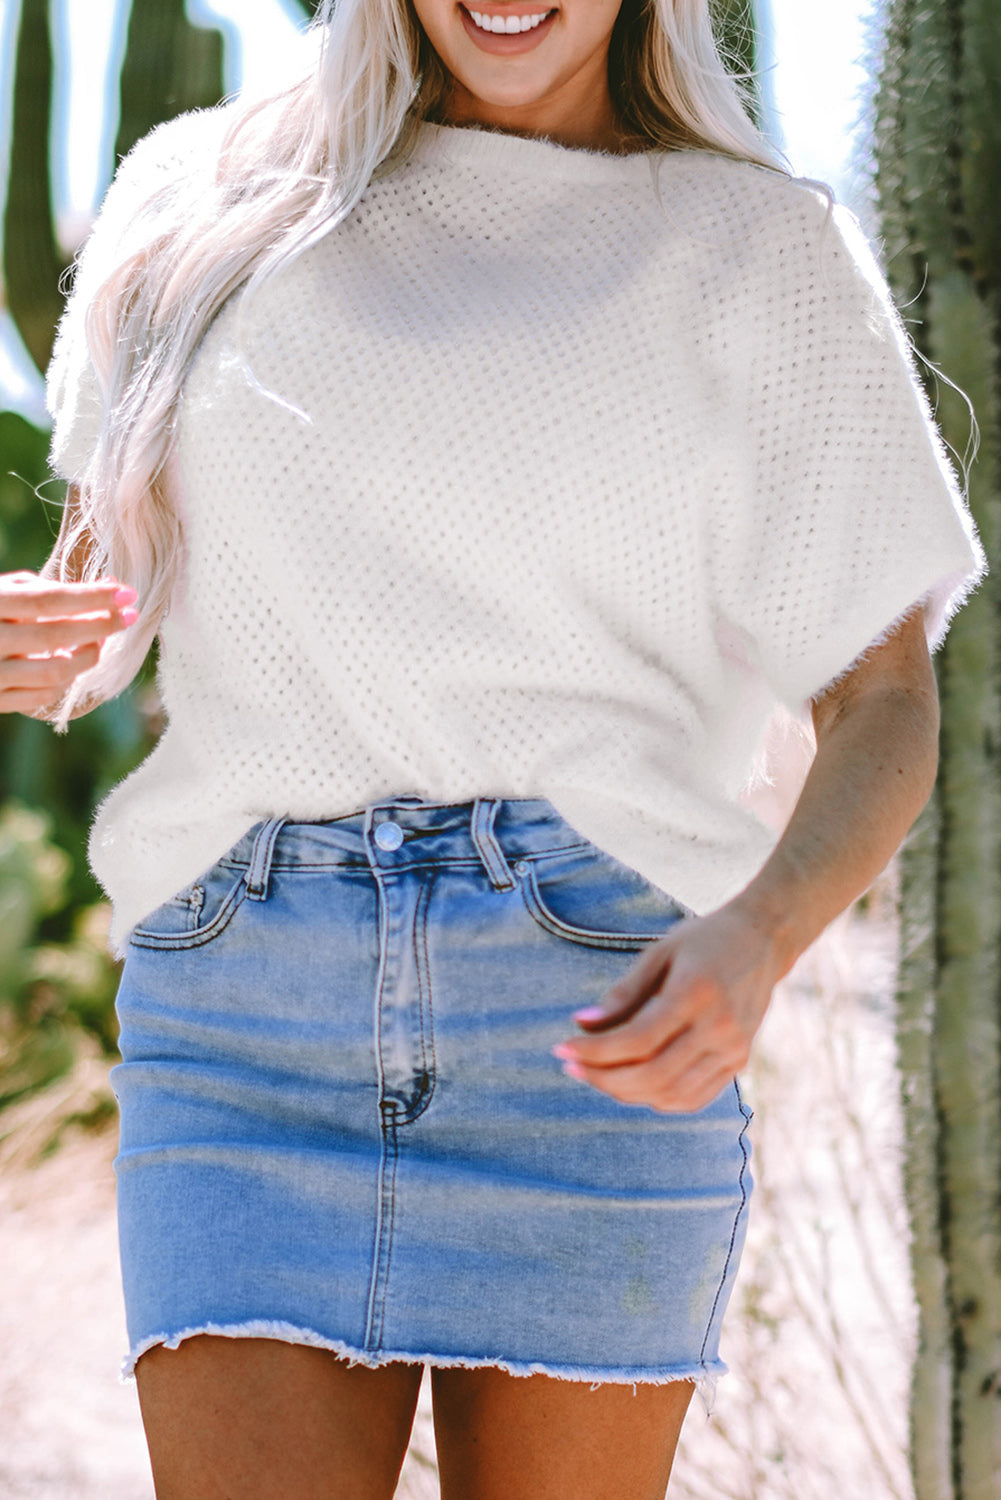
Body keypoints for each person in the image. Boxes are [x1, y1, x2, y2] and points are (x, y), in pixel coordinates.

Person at [0, 0, 985, 1494]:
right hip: (246, 1009)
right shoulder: (204, 198)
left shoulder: (755, 253)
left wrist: (761, 937)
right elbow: (103, 610)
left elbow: (883, 703)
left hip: (587, 1018)